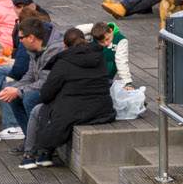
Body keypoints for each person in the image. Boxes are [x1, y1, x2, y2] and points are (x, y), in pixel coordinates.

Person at [15, 26, 115, 170]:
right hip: (101, 109)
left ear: (64, 45)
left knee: (38, 110)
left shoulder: (63, 62)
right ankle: (45, 154)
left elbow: (46, 94)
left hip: (75, 110)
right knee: (53, 108)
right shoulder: (99, 57)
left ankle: (30, 156)